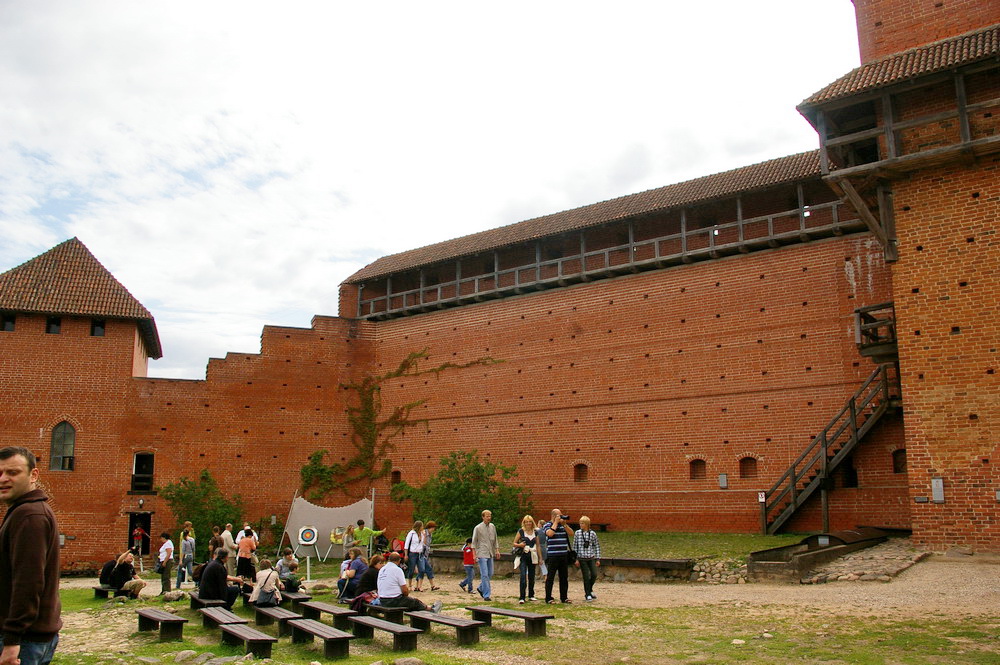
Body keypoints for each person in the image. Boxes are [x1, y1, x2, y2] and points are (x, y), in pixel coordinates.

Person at [0, 446, 61, 665]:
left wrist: (12, 640)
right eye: (0, 473)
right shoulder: (24, 511)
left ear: (33, 475)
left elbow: (28, 582)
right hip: (31, 638)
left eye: (13, 472)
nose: (3, 479)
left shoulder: (29, 515)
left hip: (24, 641)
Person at [543, 509, 574, 604]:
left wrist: (565, 525)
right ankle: (548, 597)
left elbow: (571, 534)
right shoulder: (547, 525)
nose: (561, 517)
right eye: (559, 515)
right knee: (550, 577)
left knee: (564, 577)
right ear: (553, 516)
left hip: (563, 555)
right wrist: (555, 523)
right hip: (553, 555)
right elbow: (550, 533)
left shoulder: (562, 526)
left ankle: (564, 597)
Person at [471, 509, 500, 601]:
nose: (489, 518)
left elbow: (495, 539)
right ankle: (486, 594)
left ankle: (481, 587)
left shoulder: (492, 526)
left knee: (490, 573)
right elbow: (474, 542)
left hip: (490, 553)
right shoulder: (478, 528)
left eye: (490, 516)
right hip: (481, 553)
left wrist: (497, 550)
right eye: (487, 516)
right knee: (484, 574)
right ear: (483, 517)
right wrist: (474, 555)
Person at [573, 516, 602, 601]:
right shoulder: (577, 533)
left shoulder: (592, 533)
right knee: (585, 576)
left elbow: (596, 546)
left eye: (582, 523)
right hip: (582, 558)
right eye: (580, 523)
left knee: (594, 574)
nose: (581, 525)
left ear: (587, 524)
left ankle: (590, 589)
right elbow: (575, 546)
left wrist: (598, 558)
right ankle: (587, 594)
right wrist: (576, 559)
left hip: (591, 557)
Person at [513, 515, 540, 603]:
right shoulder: (521, 531)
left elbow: (538, 545)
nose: (528, 523)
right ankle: (522, 596)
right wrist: (520, 545)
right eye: (526, 522)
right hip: (523, 555)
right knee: (523, 576)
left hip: (532, 555)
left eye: (530, 521)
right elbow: (514, 543)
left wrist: (540, 558)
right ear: (524, 523)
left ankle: (531, 594)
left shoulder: (535, 532)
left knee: (532, 576)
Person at [403, 521, 424, 590]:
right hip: (413, 553)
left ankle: (419, 585)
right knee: (411, 569)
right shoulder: (411, 533)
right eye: (422, 526)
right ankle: (410, 584)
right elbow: (406, 544)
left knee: (422, 569)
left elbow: (423, 543)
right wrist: (406, 555)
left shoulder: (422, 534)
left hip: (420, 553)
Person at [419, 521, 440, 591]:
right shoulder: (424, 533)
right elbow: (423, 544)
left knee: (425, 569)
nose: (434, 529)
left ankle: (420, 586)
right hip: (422, 554)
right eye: (433, 528)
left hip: (426, 554)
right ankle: (430, 585)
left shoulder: (430, 535)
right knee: (426, 569)